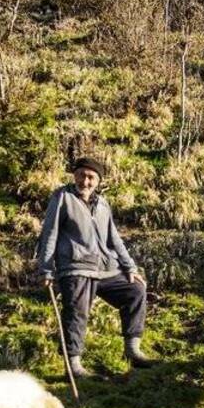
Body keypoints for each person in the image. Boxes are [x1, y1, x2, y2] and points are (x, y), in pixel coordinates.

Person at [36, 156, 156, 377]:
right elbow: (49, 234)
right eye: (82, 175)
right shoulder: (62, 197)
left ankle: (132, 350)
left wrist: (130, 268)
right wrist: (46, 269)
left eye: (91, 177)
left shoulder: (102, 204)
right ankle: (73, 364)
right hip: (76, 267)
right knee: (77, 312)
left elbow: (114, 238)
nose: (86, 181)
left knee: (136, 291)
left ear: (98, 181)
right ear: (75, 175)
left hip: (106, 268)